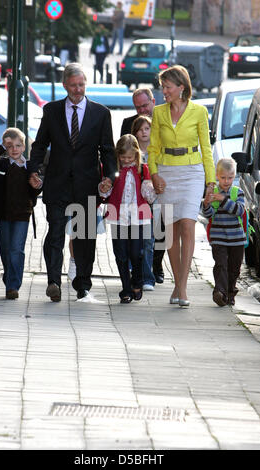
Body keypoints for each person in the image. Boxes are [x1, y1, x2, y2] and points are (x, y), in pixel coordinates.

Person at [28, 62, 116, 302]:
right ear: (65, 85)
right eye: (73, 85)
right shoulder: (52, 111)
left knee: (85, 237)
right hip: (58, 183)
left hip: (87, 185)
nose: (78, 90)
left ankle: (82, 284)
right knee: (56, 232)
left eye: (81, 85)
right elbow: (39, 145)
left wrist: (110, 176)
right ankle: (54, 281)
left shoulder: (100, 113)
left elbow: (108, 150)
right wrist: (33, 170)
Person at [148, 65, 216, 307]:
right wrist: (154, 174)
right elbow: (153, 147)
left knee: (188, 225)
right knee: (171, 235)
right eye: (162, 87)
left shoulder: (199, 112)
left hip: (191, 171)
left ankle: (182, 288)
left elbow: (206, 149)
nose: (163, 91)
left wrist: (210, 181)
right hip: (166, 172)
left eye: (167, 87)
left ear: (181, 88)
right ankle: (178, 284)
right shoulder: (158, 112)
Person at [99, 134, 156, 304]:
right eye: (122, 157)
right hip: (118, 217)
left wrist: (151, 187)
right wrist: (103, 187)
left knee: (136, 252)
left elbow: (149, 196)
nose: (126, 160)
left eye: (129, 157)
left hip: (138, 217)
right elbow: (105, 193)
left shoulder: (142, 170)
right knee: (121, 254)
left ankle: (137, 281)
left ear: (136, 155)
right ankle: (126, 288)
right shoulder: (112, 170)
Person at [121, 88, 165, 286]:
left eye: (144, 105)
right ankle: (143, 271)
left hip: (160, 184)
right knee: (144, 233)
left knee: (162, 228)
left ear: (153, 101)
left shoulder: (163, 119)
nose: (142, 110)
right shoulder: (129, 124)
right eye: (137, 107)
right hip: (136, 193)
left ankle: (156, 267)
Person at [0, 128, 40, 300]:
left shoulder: (29, 167)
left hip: (22, 214)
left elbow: (34, 190)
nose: (14, 149)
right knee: (5, 250)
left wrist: (37, 186)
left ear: (24, 147)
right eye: (10, 146)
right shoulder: (1, 164)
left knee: (16, 250)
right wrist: (0, 147)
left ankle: (13, 286)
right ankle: (9, 278)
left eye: (18, 145)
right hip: (3, 214)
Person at [202, 158, 246, 307]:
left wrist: (223, 200)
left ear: (234, 176)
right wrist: (206, 204)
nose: (226, 181)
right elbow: (209, 215)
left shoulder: (237, 192)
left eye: (230, 178)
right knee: (221, 265)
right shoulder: (214, 193)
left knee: (234, 268)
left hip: (236, 239)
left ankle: (230, 293)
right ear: (216, 176)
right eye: (223, 178)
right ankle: (219, 293)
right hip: (219, 238)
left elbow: (239, 211)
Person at [131, 115, 156, 291]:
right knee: (133, 240)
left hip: (151, 202)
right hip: (132, 201)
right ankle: (134, 273)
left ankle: (148, 278)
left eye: (147, 128)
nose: (144, 132)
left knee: (148, 240)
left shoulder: (157, 151)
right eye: (140, 129)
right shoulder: (130, 152)